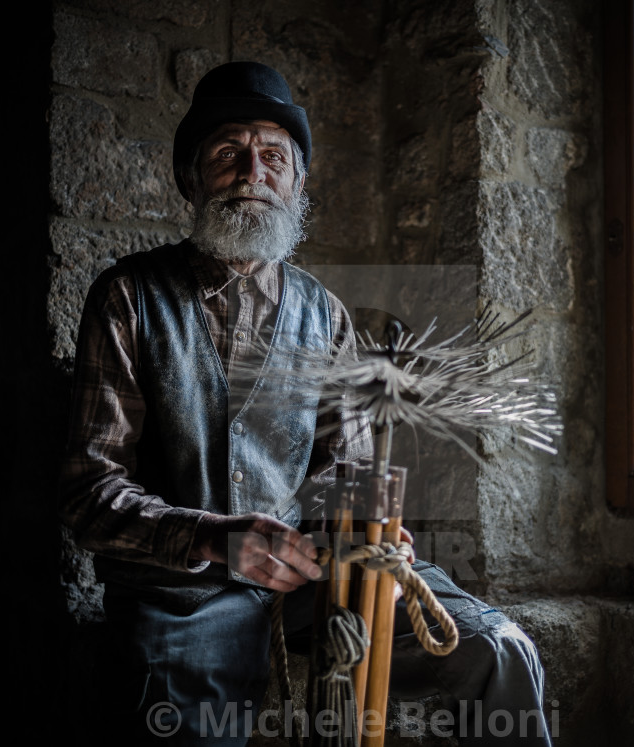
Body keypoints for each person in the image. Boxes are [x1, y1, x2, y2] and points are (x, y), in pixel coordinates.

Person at [59, 60, 553, 745]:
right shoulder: (128, 299)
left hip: (305, 584)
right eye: (228, 153)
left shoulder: (323, 313)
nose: (252, 172)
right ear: (190, 177)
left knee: (499, 650)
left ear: (296, 185)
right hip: (182, 597)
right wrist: (209, 536)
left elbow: (337, 476)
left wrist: (363, 527)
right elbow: (90, 490)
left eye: (273, 157)